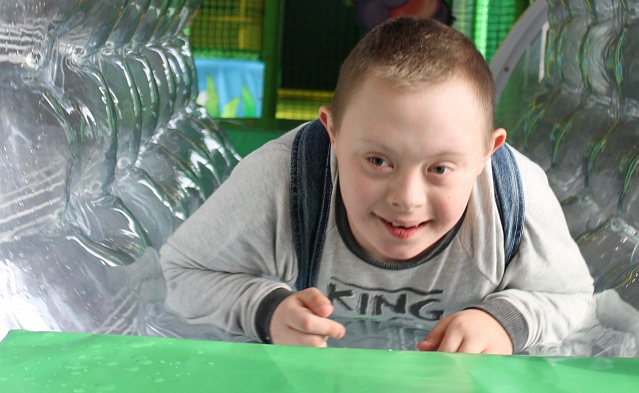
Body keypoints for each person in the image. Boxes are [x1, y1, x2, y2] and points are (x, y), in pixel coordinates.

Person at [160, 17, 593, 355]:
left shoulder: (512, 199)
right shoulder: (287, 180)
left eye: (440, 169)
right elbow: (178, 272)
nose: (406, 198)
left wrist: (506, 321)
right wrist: (265, 310)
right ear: (333, 133)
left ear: (487, 153)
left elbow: (574, 299)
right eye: (377, 161)